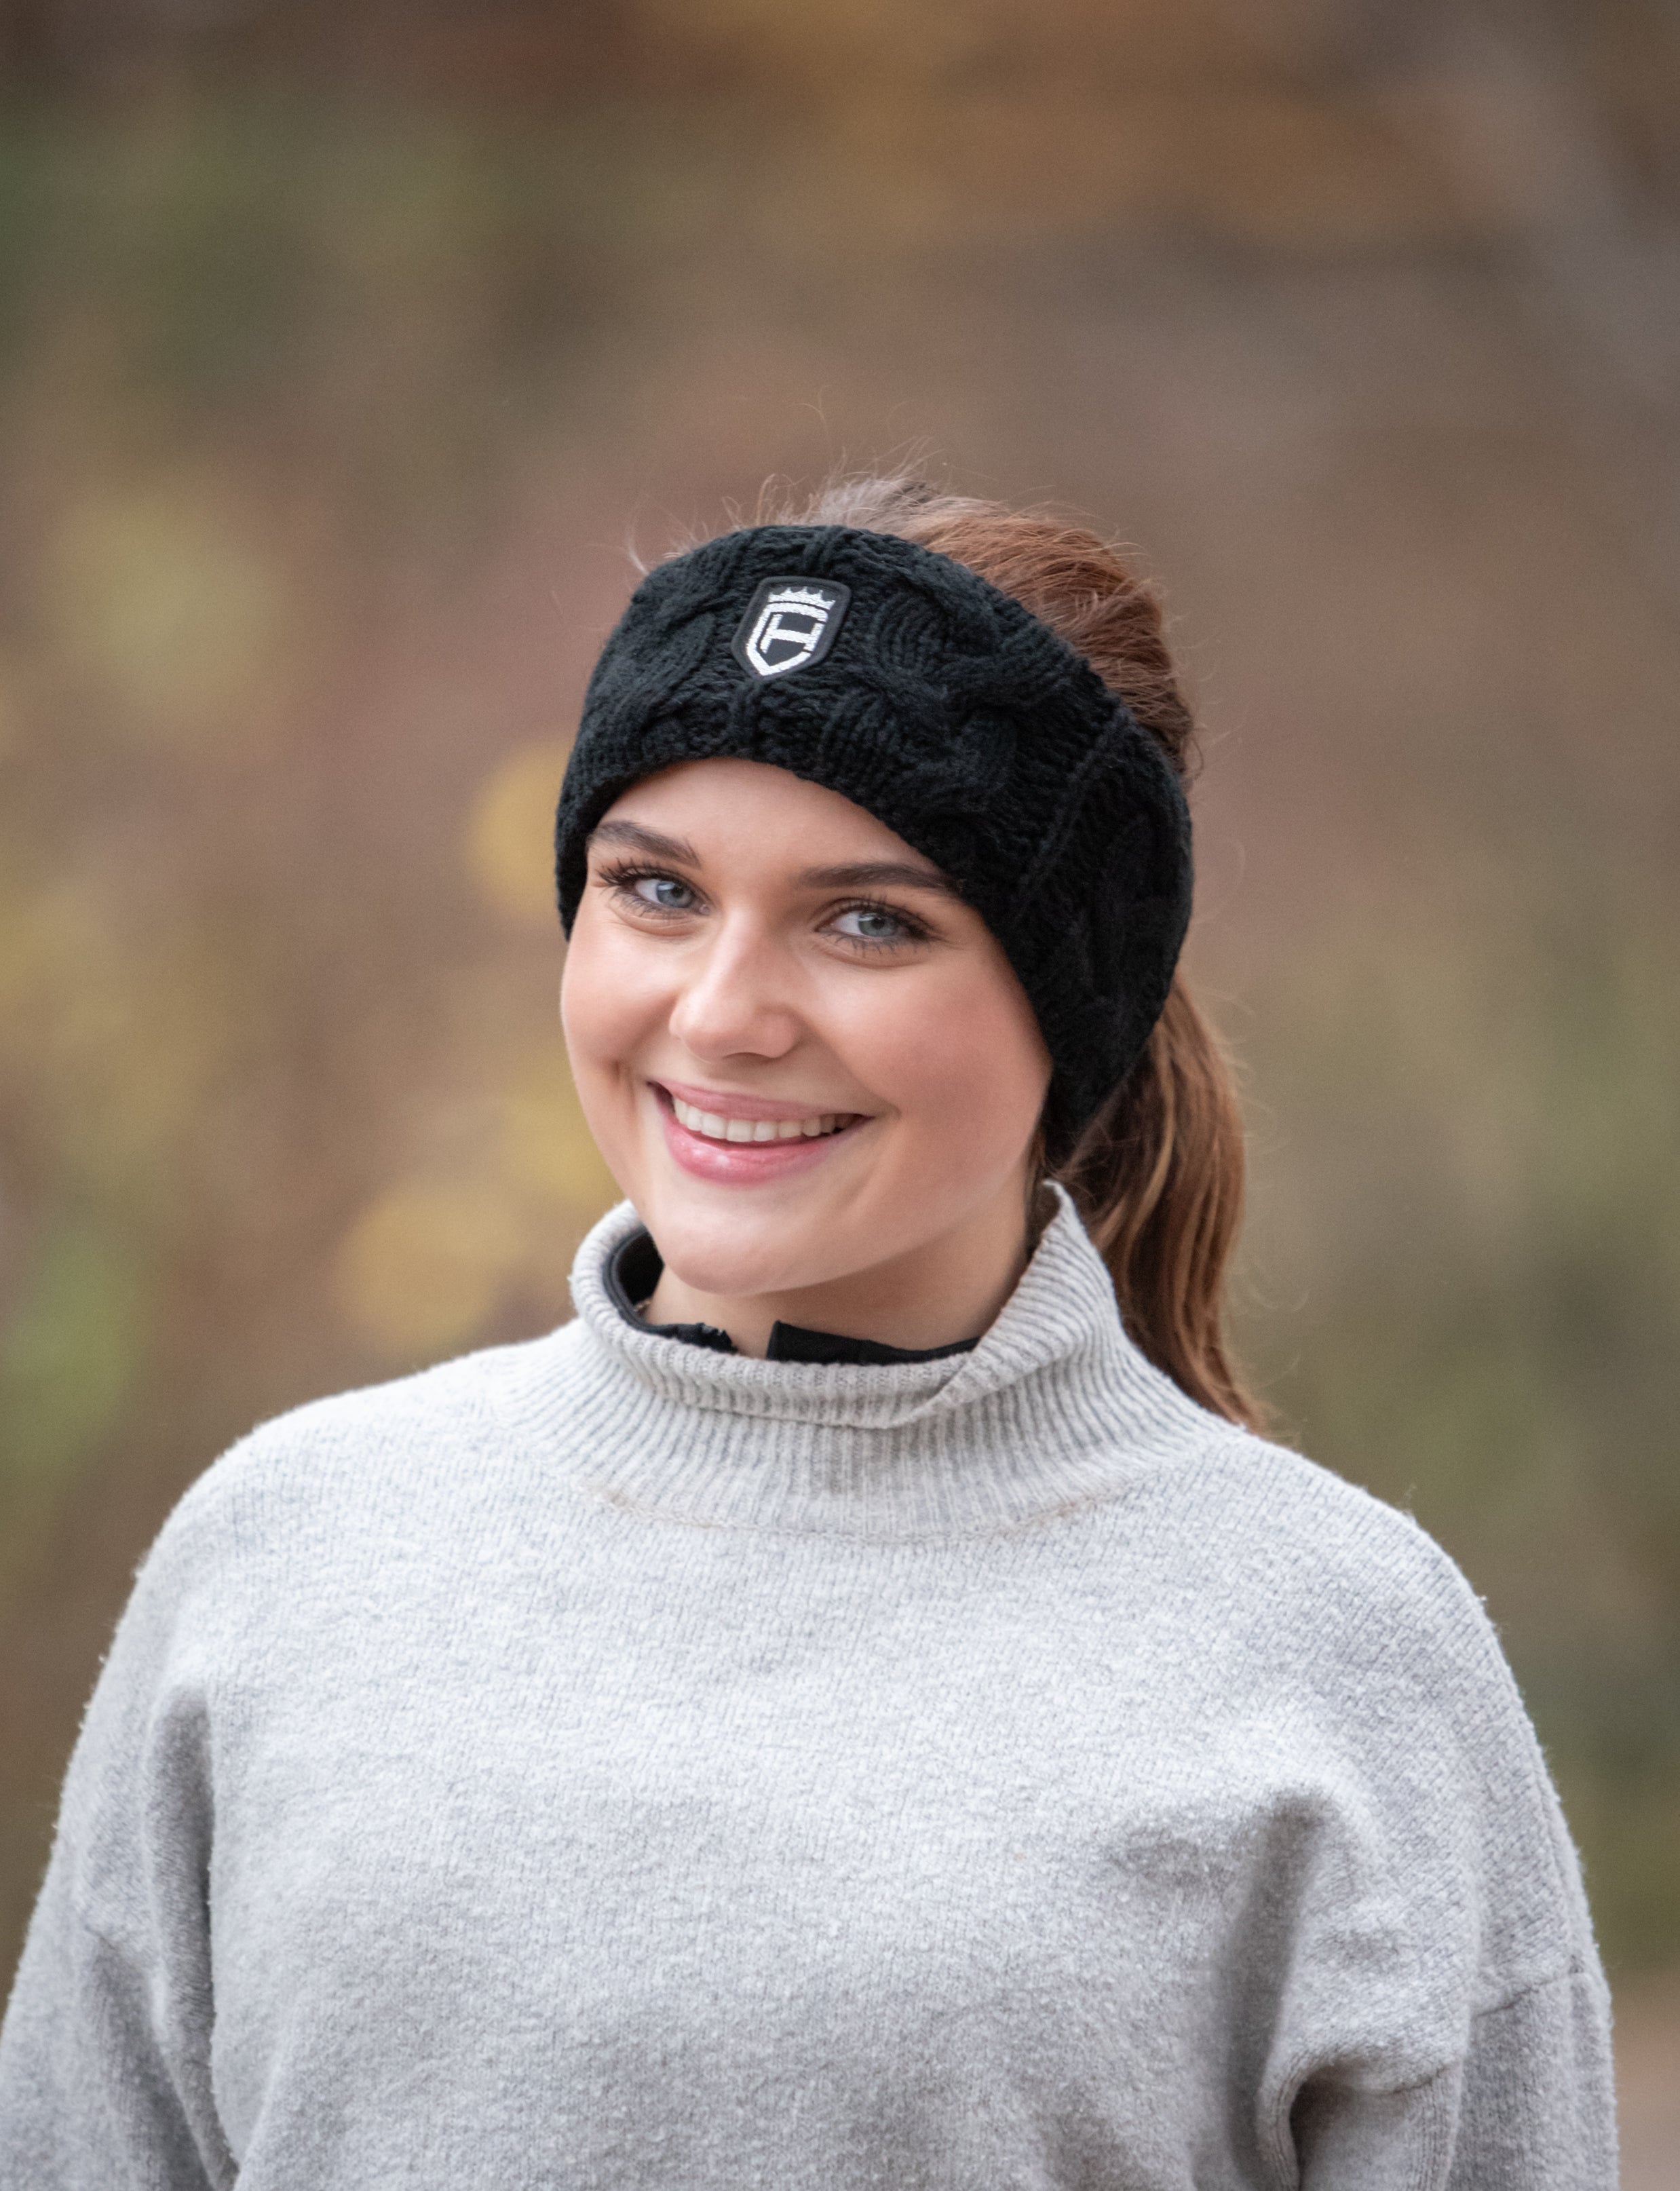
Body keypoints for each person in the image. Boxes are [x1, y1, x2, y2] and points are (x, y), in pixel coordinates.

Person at [0, 478, 1615, 2188]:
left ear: (1069, 1003)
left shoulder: (1339, 1649)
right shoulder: (282, 1555)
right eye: (656, 889)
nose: (721, 1014)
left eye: (870, 920)